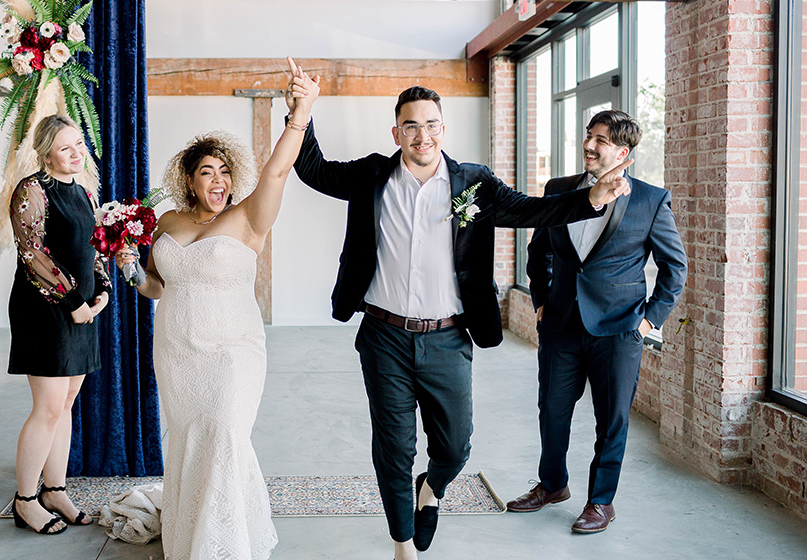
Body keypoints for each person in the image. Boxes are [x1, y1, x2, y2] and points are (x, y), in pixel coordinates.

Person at [291, 86, 632, 559]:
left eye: (431, 125)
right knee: (393, 447)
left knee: (454, 448)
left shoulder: (474, 183)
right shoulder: (373, 174)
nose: (422, 135)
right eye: (411, 125)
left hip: (449, 337)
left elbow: (533, 209)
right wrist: (302, 112)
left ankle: (431, 487)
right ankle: (402, 544)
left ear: (443, 130)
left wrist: (589, 199)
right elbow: (313, 170)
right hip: (384, 335)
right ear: (397, 132)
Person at [116, 57, 319, 560]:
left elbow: (277, 169)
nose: (219, 180)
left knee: (226, 433)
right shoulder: (166, 221)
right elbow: (157, 286)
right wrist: (129, 270)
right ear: (189, 179)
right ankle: (191, 537)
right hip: (178, 351)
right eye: (208, 172)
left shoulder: (250, 217)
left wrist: (300, 114)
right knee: (190, 439)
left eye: (225, 171)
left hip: (233, 350)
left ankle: (226, 544)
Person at [506, 110, 687, 533]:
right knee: (551, 411)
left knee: (613, 419)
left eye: (600, 139)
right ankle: (552, 485)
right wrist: (540, 301)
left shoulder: (650, 199)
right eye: (588, 135)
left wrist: (647, 323)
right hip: (561, 324)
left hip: (620, 330)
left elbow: (674, 268)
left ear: (622, 152)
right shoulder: (558, 189)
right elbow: (539, 253)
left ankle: (601, 501)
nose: (589, 144)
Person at [7, 114, 111, 534]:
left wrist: (102, 289)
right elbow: (33, 255)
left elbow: (95, 246)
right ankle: (25, 500)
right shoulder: (32, 190)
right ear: (46, 152)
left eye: (79, 144)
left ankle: (54, 490)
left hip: (82, 310)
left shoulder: (83, 192)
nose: (76, 153)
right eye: (66, 147)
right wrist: (73, 302)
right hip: (45, 311)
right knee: (47, 407)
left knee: (66, 403)